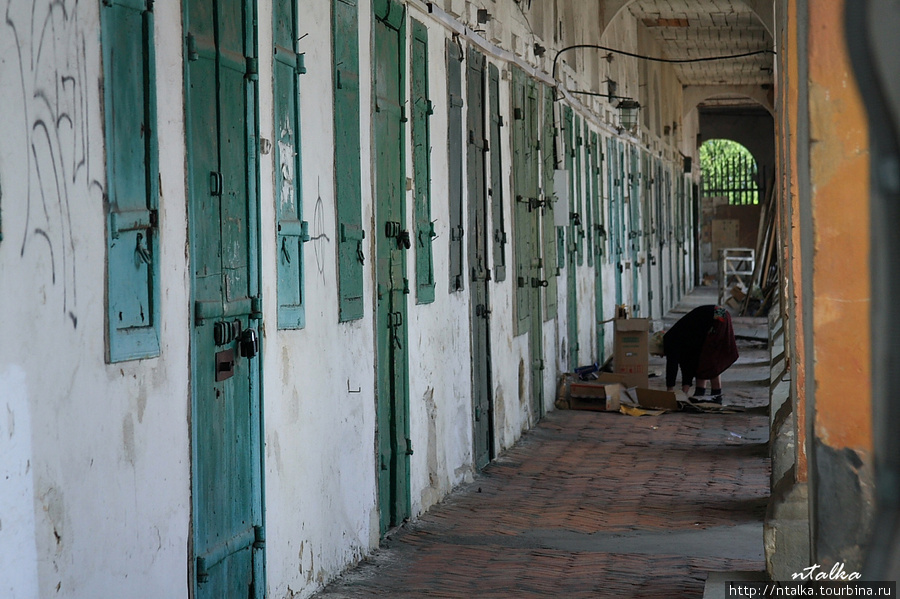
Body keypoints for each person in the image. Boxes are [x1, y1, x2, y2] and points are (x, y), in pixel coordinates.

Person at [649, 305, 739, 403]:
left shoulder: (669, 340)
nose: (662, 356)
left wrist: (669, 389)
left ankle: (716, 396)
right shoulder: (680, 341)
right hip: (720, 314)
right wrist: (684, 391)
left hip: (717, 316)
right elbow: (687, 365)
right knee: (701, 358)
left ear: (660, 346)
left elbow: (672, 365)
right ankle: (700, 394)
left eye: (659, 354)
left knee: (711, 359)